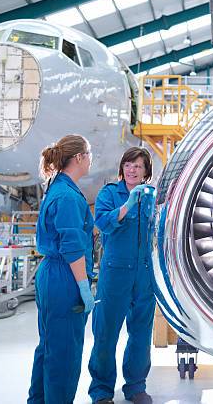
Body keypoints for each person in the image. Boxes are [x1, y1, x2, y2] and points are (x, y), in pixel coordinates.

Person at [28, 134, 95, 404]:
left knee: (48, 349)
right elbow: (72, 248)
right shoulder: (67, 196)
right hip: (64, 277)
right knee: (64, 355)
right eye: (89, 153)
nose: (91, 159)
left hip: (51, 275)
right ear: (78, 157)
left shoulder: (57, 188)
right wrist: (83, 287)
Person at [89, 147, 156, 404]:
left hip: (144, 273)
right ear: (122, 168)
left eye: (138, 166)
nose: (132, 170)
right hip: (115, 272)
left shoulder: (151, 196)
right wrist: (127, 206)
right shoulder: (109, 193)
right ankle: (102, 391)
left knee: (140, 333)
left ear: (146, 171)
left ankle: (136, 387)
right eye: (128, 164)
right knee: (106, 332)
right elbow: (103, 223)